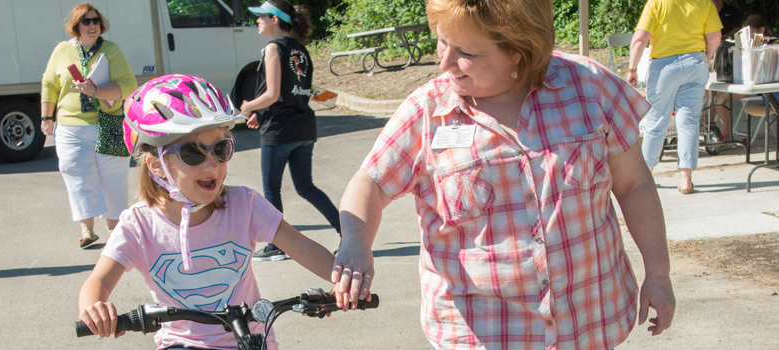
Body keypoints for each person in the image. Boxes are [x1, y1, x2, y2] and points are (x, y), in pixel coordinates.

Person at [332, 0, 674, 349]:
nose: (445, 61)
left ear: (518, 50)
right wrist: (356, 243)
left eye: (466, 51)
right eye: (442, 41)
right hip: (482, 334)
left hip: (588, 323)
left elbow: (635, 184)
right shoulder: (426, 112)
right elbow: (370, 182)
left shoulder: (590, 88)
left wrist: (658, 273)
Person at [77, 75, 343, 349]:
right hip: (182, 344)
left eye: (220, 149)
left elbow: (299, 246)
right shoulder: (139, 225)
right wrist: (94, 306)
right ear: (156, 165)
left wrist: (343, 280)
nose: (212, 166)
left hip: (250, 339)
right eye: (192, 154)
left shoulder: (245, 205)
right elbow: (99, 279)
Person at [241, 0, 341, 261]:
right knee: (307, 187)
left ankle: (277, 245)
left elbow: (273, 94)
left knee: (272, 190)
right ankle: (349, 232)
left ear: (275, 19)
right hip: (304, 128)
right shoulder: (300, 49)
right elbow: (293, 91)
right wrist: (260, 114)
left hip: (281, 132)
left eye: (261, 16)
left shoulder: (273, 48)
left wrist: (248, 106)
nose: (257, 20)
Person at [40, 3, 137, 248]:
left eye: (95, 21)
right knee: (77, 175)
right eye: (86, 21)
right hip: (70, 126)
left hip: (109, 122)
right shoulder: (62, 50)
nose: (92, 25)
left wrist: (95, 91)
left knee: (113, 178)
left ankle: (115, 230)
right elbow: (49, 84)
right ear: (76, 26)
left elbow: (128, 85)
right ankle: (87, 230)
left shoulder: (111, 50)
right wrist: (46, 117)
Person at [627, 0, 722, 194]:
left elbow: (640, 38)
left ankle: (647, 176)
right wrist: (705, 58)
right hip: (696, 63)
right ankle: (686, 180)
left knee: (656, 121)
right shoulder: (705, 4)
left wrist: (632, 69)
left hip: (664, 67)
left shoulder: (657, 3)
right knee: (688, 122)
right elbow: (715, 38)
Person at [713, 14, 772, 142]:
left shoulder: (768, 45)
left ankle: (726, 137)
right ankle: (720, 132)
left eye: (751, 34)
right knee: (715, 96)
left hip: (758, 87)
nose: (749, 38)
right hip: (748, 83)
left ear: (761, 31)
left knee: (718, 99)